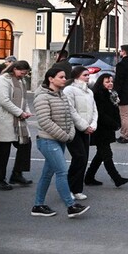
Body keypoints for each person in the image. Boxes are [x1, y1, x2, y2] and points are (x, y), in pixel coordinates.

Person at [31, 68, 90, 218]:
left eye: (65, 77)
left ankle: (38, 205)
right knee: (62, 172)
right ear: (51, 79)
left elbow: (69, 116)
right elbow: (45, 121)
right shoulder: (42, 97)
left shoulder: (61, 95)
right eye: (61, 77)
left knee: (47, 174)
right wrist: (65, 136)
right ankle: (71, 206)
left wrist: (70, 134)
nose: (64, 79)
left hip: (60, 140)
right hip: (47, 141)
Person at [0, 60, 33, 190]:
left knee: (25, 144)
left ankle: (17, 174)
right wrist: (20, 112)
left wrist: (26, 111)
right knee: (3, 151)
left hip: (19, 119)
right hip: (4, 118)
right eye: (21, 72)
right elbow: (4, 100)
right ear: (14, 69)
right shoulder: (3, 80)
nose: (23, 75)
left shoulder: (21, 81)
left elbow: (24, 100)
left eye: (25, 73)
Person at [84, 74, 128, 187]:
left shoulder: (111, 94)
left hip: (108, 128)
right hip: (101, 129)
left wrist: (117, 123)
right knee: (107, 154)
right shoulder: (98, 94)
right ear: (101, 83)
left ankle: (89, 177)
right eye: (107, 82)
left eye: (111, 81)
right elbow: (100, 113)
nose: (110, 84)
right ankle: (116, 178)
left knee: (101, 155)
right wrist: (113, 123)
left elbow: (114, 111)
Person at [63, 66, 97, 201]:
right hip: (74, 129)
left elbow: (94, 110)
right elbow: (71, 111)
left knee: (84, 159)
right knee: (79, 157)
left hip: (86, 129)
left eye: (88, 75)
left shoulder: (89, 91)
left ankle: (77, 189)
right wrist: (83, 126)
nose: (88, 77)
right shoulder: (69, 90)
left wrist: (92, 125)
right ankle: (68, 188)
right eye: (85, 75)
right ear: (77, 76)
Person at [114, 45, 128, 144]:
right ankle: (124, 133)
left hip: (123, 93)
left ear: (124, 52)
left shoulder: (121, 64)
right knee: (124, 115)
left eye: (121, 51)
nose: (119, 52)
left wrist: (115, 92)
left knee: (124, 116)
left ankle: (127, 135)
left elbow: (119, 81)